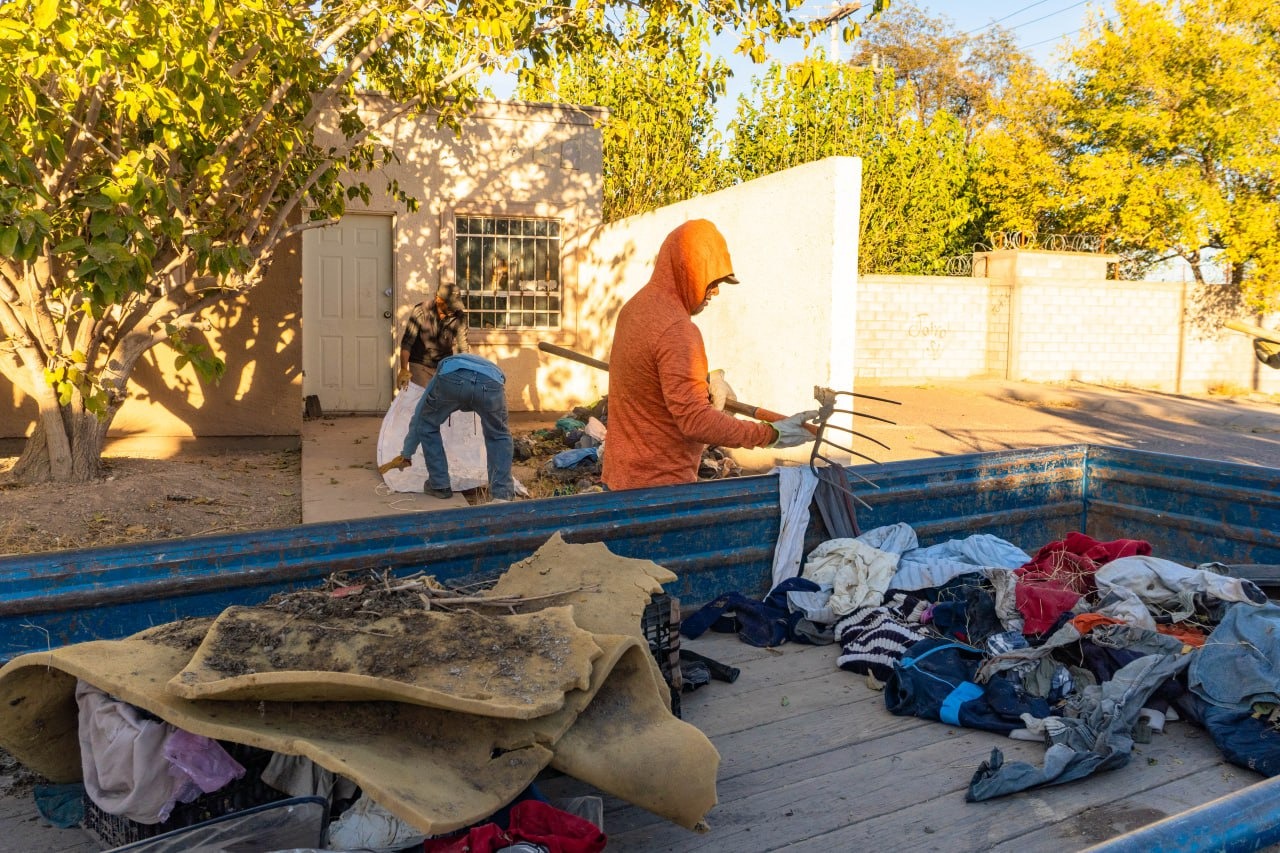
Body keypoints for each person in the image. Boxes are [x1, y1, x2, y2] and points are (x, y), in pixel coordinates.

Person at [601, 219, 818, 492]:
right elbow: (696, 421)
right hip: (659, 490)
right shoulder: (677, 330)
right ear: (688, 270)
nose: (715, 291)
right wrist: (772, 434)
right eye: (711, 280)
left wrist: (713, 376)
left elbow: (657, 374)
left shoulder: (634, 309)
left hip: (620, 478)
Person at [382, 353, 516, 500]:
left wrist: (406, 453)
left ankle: (439, 485)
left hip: (453, 379)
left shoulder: (441, 373)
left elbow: (420, 416)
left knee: (427, 425)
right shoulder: (485, 366)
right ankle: (502, 494)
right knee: (499, 435)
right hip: (492, 381)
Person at [397, 282, 470, 389]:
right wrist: (404, 370)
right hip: (420, 363)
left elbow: (463, 347)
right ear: (438, 300)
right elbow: (407, 342)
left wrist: (465, 371)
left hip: (444, 364)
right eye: (450, 305)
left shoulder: (459, 316)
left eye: (456, 306)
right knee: (421, 398)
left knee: (442, 400)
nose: (454, 309)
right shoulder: (421, 311)